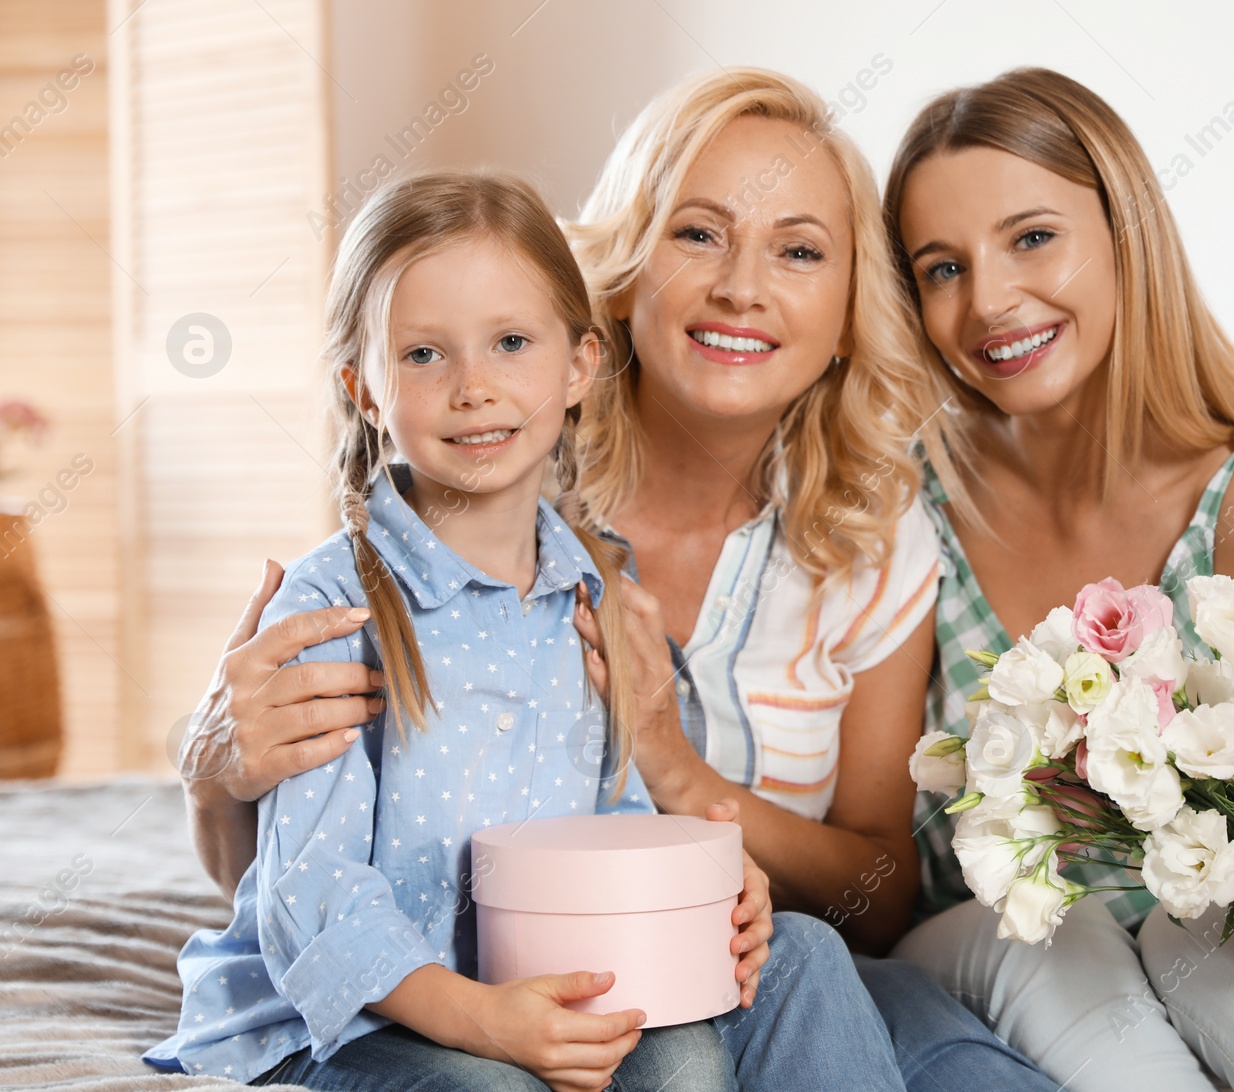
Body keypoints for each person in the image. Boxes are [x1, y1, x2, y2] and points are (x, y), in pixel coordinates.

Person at [171, 72, 1057, 1092]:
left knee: (824, 990)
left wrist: (713, 854)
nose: (741, 286)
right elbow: (296, 878)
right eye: (698, 234)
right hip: (406, 999)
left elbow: (718, 846)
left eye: (799, 249)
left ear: (571, 363)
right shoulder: (460, 517)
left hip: (664, 960)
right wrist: (206, 767)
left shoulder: (615, 575)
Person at [882, 67, 1234, 1090]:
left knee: (1228, 966)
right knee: (1077, 952)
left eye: (1032, 236)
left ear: (1124, 234)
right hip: (990, 943)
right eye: (940, 267)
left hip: (1210, 932)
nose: (991, 298)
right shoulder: (904, 502)